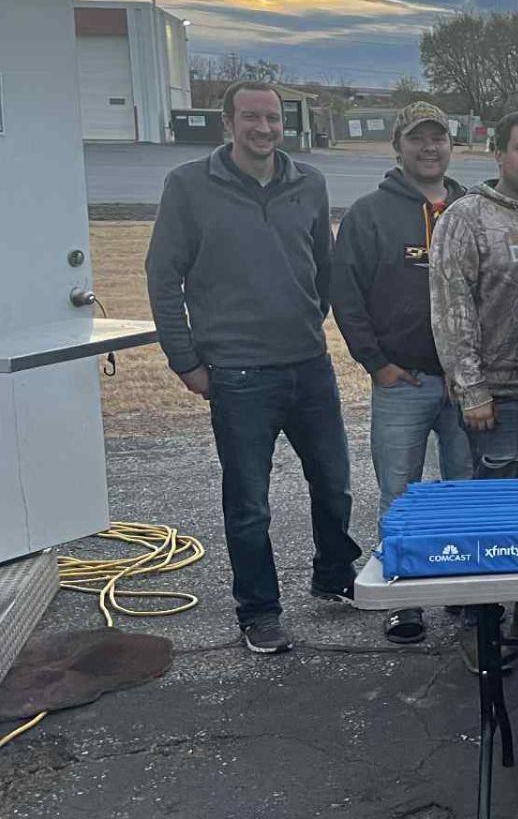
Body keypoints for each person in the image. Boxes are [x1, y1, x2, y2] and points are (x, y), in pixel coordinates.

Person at [146, 81, 359, 656]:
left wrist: (310, 320)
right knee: (249, 504)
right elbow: (163, 277)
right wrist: (184, 360)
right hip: (238, 375)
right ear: (227, 123)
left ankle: (334, 573)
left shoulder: (308, 183)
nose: (263, 128)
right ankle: (259, 612)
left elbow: (323, 267)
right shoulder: (189, 186)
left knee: (335, 484)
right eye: (251, 118)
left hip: (309, 365)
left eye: (272, 118)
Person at [430, 110, 518, 670]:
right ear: (499, 155)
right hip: (499, 400)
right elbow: (451, 308)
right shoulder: (466, 218)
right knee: (493, 517)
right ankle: (478, 621)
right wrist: (471, 388)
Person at [330, 101, 472, 645]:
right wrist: (379, 365)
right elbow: (346, 297)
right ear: (398, 146)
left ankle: (464, 591)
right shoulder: (370, 214)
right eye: (418, 139)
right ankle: (404, 596)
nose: (430, 148)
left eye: (439, 138)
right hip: (403, 381)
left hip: (465, 385)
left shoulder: (468, 206)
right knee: (401, 493)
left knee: (464, 492)